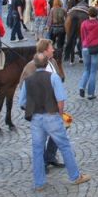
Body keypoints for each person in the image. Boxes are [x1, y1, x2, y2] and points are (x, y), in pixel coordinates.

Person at [18, 53, 91, 191]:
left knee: (37, 150)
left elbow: (22, 102)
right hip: (52, 116)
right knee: (64, 146)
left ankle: (39, 183)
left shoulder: (28, 80)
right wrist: (60, 113)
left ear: (34, 64)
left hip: (36, 118)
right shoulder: (53, 77)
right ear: (47, 64)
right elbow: (61, 99)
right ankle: (75, 176)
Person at [19, 39, 66, 171]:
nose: (53, 49)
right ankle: (42, 164)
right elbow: (23, 85)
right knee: (42, 135)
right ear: (45, 50)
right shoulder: (31, 66)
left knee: (61, 128)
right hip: (39, 108)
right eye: (51, 47)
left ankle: (50, 156)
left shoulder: (53, 62)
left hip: (53, 105)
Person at [78, 7, 98, 100]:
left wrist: (83, 46)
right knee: (93, 72)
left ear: (88, 14)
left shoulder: (83, 24)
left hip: (85, 48)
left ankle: (82, 86)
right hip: (95, 49)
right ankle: (90, 94)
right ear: (96, 14)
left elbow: (82, 36)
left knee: (86, 70)